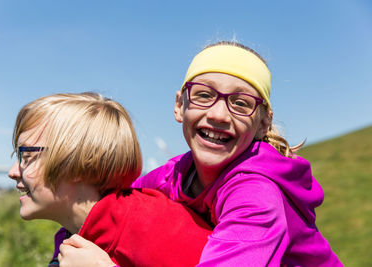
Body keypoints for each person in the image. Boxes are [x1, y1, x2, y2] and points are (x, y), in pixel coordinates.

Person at [59, 41, 343, 266]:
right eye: (204, 95)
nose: (219, 114)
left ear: (263, 123)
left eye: (241, 103)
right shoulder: (174, 175)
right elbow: (99, 207)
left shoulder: (257, 195)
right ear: (180, 105)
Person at [7, 92, 212, 267]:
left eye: (26, 157)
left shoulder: (151, 225)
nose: (13, 171)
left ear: (75, 163)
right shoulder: (70, 238)